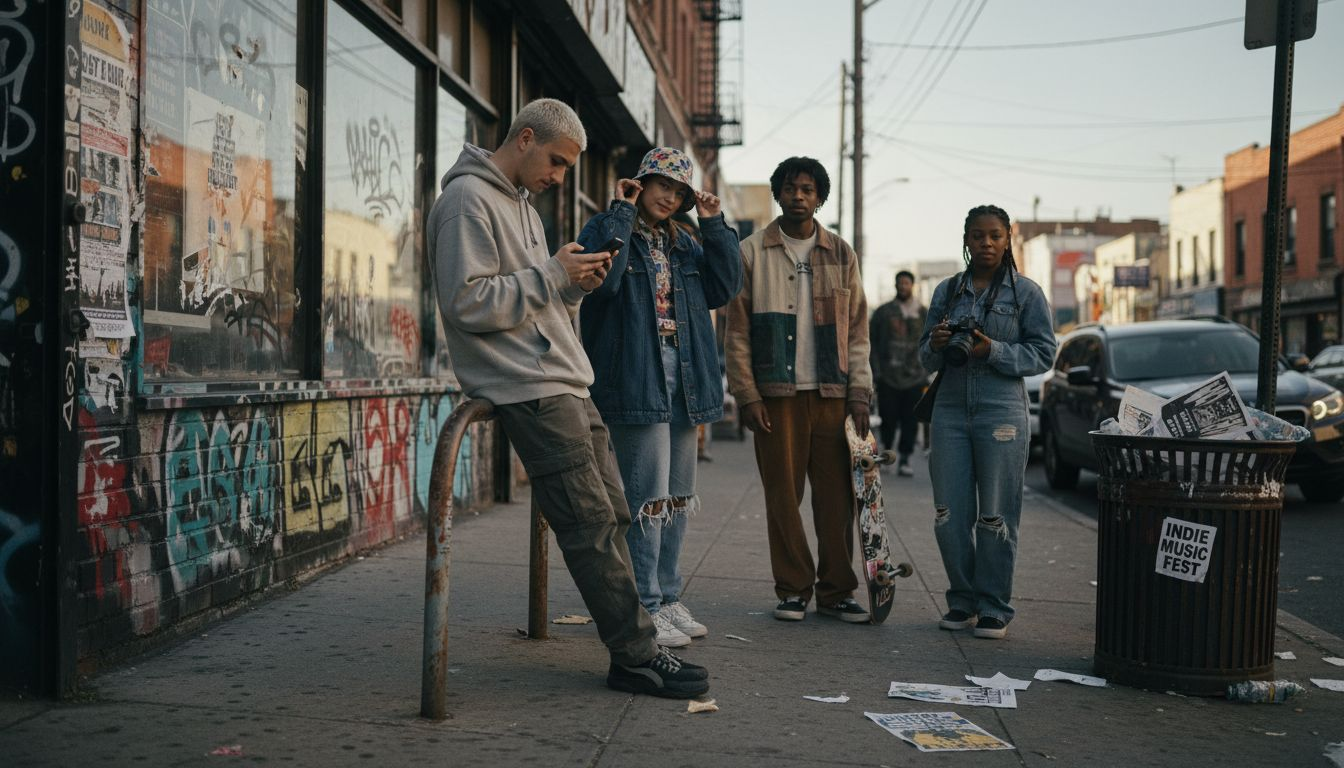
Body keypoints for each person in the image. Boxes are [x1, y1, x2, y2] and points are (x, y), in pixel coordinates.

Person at [428, 98, 709, 698]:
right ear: (525, 138)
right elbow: (466, 302)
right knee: (589, 525)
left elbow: (537, 297)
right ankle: (636, 656)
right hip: (526, 384)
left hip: (567, 377)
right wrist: (555, 275)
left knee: (616, 515)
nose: (559, 177)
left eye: (567, 167)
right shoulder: (466, 200)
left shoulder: (523, 208)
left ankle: (640, 644)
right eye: (556, 161)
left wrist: (575, 286)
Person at [577, 147, 742, 648]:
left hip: (684, 374)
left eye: (679, 191)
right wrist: (621, 212)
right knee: (646, 498)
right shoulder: (605, 226)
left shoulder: (686, 243)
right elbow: (603, 286)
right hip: (635, 373)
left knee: (675, 497)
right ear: (642, 183)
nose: (669, 197)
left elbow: (725, 287)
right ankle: (644, 605)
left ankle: (668, 597)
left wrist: (714, 224)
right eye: (662, 185)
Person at [724, 156, 874, 624]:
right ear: (778, 194)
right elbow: (736, 331)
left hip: (832, 395)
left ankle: (837, 591)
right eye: (790, 188)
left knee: (837, 502)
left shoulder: (841, 253)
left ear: (819, 197)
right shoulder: (752, 251)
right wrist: (747, 395)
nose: (798, 197)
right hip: (777, 397)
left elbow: (858, 331)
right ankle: (792, 589)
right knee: (783, 499)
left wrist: (860, 392)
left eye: (807, 189)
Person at [918, 204, 1056, 640]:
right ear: (966, 240)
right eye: (978, 236)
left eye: (995, 235)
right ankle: (962, 600)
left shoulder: (1026, 294)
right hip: (950, 411)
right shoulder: (946, 291)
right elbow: (924, 358)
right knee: (949, 514)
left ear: (1008, 238)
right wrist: (936, 343)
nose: (986, 243)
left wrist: (992, 350)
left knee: (996, 515)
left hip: (1002, 411)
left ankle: (994, 606)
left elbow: (1044, 354)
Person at [869, 270, 927, 476]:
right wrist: (876, 371)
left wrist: (927, 370)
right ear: (895, 285)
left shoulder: (923, 312)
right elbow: (872, 342)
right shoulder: (883, 312)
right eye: (900, 283)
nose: (903, 286)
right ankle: (887, 454)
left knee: (910, 420)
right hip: (888, 376)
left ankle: (904, 459)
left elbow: (931, 342)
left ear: (912, 285)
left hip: (915, 377)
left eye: (906, 283)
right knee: (888, 417)